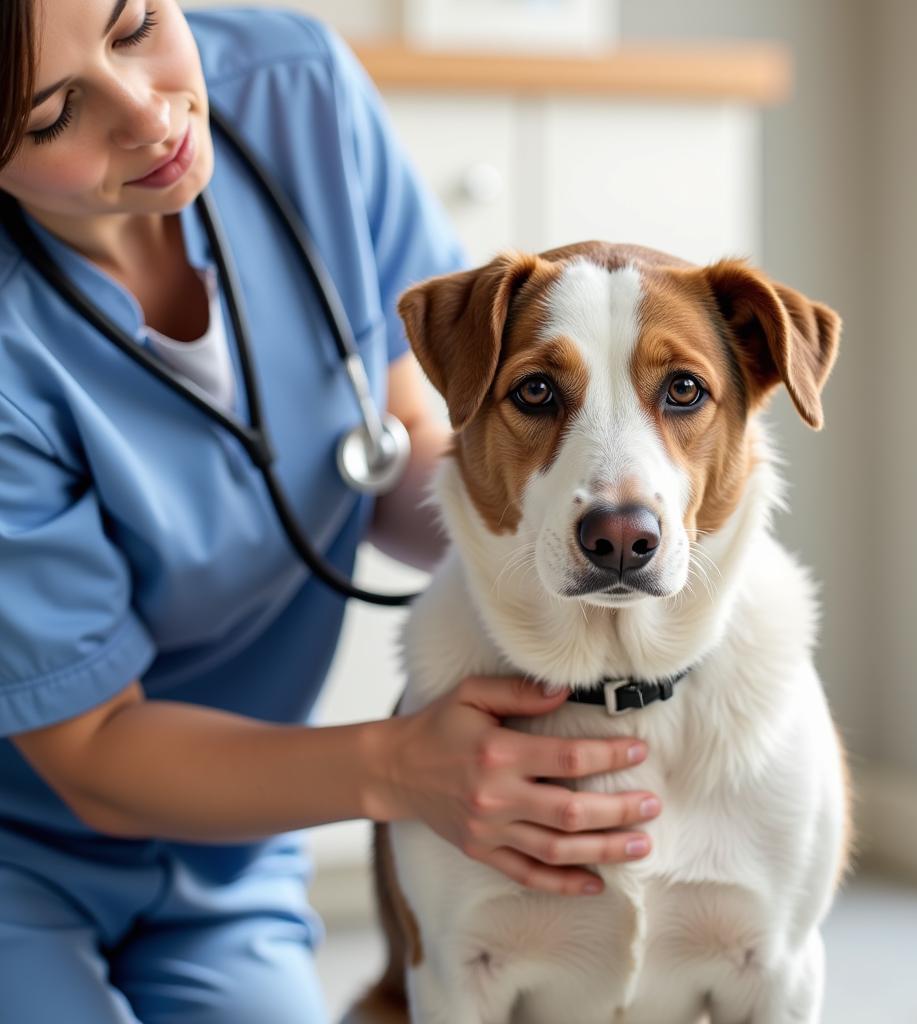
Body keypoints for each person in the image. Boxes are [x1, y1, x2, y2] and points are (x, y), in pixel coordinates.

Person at [0, 2, 664, 1021]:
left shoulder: (293, 88)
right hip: (26, 845)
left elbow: (407, 441)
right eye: (53, 115)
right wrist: (400, 765)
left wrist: (583, 541)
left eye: (133, 24)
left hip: (228, 849)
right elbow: (89, 753)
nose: (147, 114)